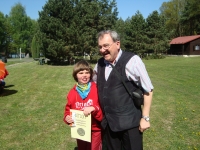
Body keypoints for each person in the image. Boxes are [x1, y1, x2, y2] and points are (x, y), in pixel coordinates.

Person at [93, 30, 154, 150]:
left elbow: (148, 90)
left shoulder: (132, 61)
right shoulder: (99, 64)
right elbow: (92, 85)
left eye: (106, 45)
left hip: (130, 124)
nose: (102, 50)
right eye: (100, 47)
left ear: (117, 44)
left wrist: (145, 118)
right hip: (109, 124)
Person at [63, 60, 103, 150]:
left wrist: (94, 108)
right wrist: (67, 118)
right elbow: (68, 111)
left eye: (87, 72)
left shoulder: (96, 89)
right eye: (81, 73)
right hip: (80, 130)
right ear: (75, 75)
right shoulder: (72, 93)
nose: (84, 75)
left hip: (95, 129)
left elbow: (103, 110)